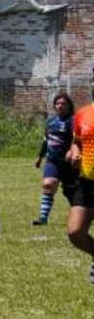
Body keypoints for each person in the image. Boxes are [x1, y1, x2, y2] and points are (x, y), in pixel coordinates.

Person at [32, 93, 76, 226]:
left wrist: (71, 150)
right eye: (58, 103)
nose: (60, 106)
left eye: (63, 104)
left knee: (72, 192)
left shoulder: (72, 121)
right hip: (52, 161)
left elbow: (76, 138)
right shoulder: (50, 121)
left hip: (69, 163)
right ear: (54, 106)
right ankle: (43, 218)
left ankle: (81, 215)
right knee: (48, 184)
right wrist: (40, 157)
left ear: (69, 106)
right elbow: (46, 141)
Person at [66, 85, 94, 284]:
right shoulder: (83, 114)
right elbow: (76, 141)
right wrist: (74, 151)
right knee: (75, 232)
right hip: (86, 181)